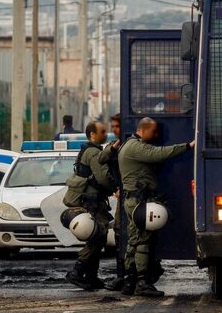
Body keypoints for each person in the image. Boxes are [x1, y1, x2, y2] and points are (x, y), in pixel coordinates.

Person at [119, 117, 195, 297]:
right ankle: (142, 283)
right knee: (143, 241)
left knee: (134, 240)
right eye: (153, 132)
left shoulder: (129, 146)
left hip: (134, 200)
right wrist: (187, 146)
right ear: (143, 130)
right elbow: (159, 153)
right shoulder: (135, 147)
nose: (156, 135)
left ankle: (129, 281)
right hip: (139, 201)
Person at [64, 121, 115, 290]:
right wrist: (114, 188)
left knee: (97, 237)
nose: (105, 134)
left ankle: (91, 277)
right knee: (98, 236)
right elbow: (102, 178)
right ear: (92, 134)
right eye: (102, 132)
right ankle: (77, 273)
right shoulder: (93, 152)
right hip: (93, 201)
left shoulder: (87, 149)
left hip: (90, 199)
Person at [98, 113, 124, 291]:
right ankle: (122, 275)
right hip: (122, 196)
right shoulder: (114, 146)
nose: (114, 130)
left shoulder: (133, 145)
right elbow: (102, 159)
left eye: (117, 126)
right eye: (113, 127)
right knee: (119, 232)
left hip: (134, 194)